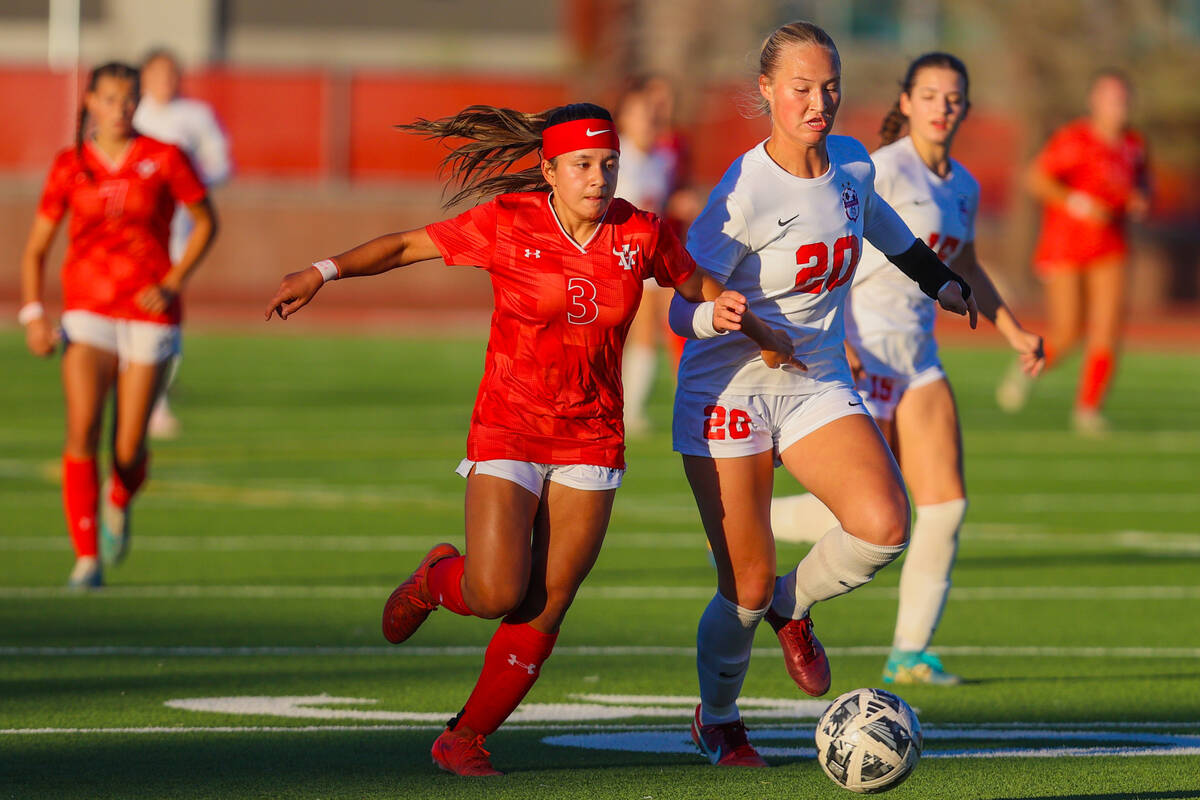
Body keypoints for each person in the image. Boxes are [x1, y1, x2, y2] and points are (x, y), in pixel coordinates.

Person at [264, 102, 793, 777]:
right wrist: (320, 271)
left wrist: (745, 325)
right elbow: (405, 247)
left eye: (608, 165)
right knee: (494, 592)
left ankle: (465, 738)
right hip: (510, 425)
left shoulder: (642, 231)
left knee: (548, 601)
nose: (599, 178)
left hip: (592, 436)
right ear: (548, 170)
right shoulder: (506, 222)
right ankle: (434, 581)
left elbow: (695, 290)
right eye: (582, 166)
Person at [667, 21, 978, 767]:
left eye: (829, 87)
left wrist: (940, 282)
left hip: (813, 378)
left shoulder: (850, 163)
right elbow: (681, 301)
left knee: (884, 525)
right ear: (767, 92)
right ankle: (720, 718)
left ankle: (792, 604)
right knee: (739, 586)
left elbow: (884, 228)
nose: (819, 102)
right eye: (801, 88)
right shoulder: (742, 192)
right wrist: (720, 315)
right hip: (729, 387)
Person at [770, 53, 1045, 686]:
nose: (941, 107)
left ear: (965, 108)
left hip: (918, 356)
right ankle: (757, 525)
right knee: (869, 509)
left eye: (953, 98)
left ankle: (909, 654)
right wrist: (844, 338)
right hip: (864, 349)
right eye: (929, 95)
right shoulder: (879, 169)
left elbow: (966, 267)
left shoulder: (965, 186)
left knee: (944, 507)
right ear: (907, 101)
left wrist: (1013, 330)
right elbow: (837, 248)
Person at [18, 62, 217, 588]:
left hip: (150, 309)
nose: (120, 109)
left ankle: (120, 494)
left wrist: (173, 281)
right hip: (87, 309)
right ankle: (86, 559)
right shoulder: (69, 165)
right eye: (109, 99)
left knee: (128, 450)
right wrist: (35, 313)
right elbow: (36, 248)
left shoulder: (165, 156)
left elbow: (205, 222)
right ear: (90, 102)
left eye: (129, 100)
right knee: (82, 428)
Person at [996, 69, 1150, 435]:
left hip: (1111, 245)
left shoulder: (1133, 144)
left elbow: (1143, 182)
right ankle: (1027, 368)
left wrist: (1141, 198)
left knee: (1108, 329)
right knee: (1068, 330)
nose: (1119, 106)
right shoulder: (1075, 139)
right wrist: (1079, 203)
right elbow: (1036, 178)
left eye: (1123, 98)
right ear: (1094, 102)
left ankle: (1088, 410)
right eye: (1111, 98)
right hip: (1066, 245)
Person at [132, 48, 232, 439]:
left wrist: (185, 181)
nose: (165, 81)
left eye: (172, 73)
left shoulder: (196, 116)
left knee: (164, 314)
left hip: (175, 234)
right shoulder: (132, 115)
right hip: (129, 235)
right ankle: (127, 392)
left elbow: (223, 163)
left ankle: (156, 402)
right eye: (158, 73)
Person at [616, 76, 702, 435]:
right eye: (641, 114)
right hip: (615, 256)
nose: (650, 121)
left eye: (653, 114)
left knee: (649, 330)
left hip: (646, 257)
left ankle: (630, 410)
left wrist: (677, 206)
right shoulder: (614, 156)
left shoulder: (662, 159)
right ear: (624, 118)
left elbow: (657, 205)